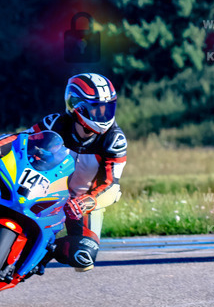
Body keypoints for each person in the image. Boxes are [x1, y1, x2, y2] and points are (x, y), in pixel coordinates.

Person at [0, 73, 126, 271]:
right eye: (96, 108)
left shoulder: (114, 140)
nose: (103, 114)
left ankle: (44, 252)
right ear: (76, 105)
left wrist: (86, 202)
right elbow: (21, 140)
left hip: (82, 201)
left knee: (84, 258)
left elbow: (112, 185)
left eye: (107, 107)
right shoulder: (55, 123)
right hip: (46, 185)